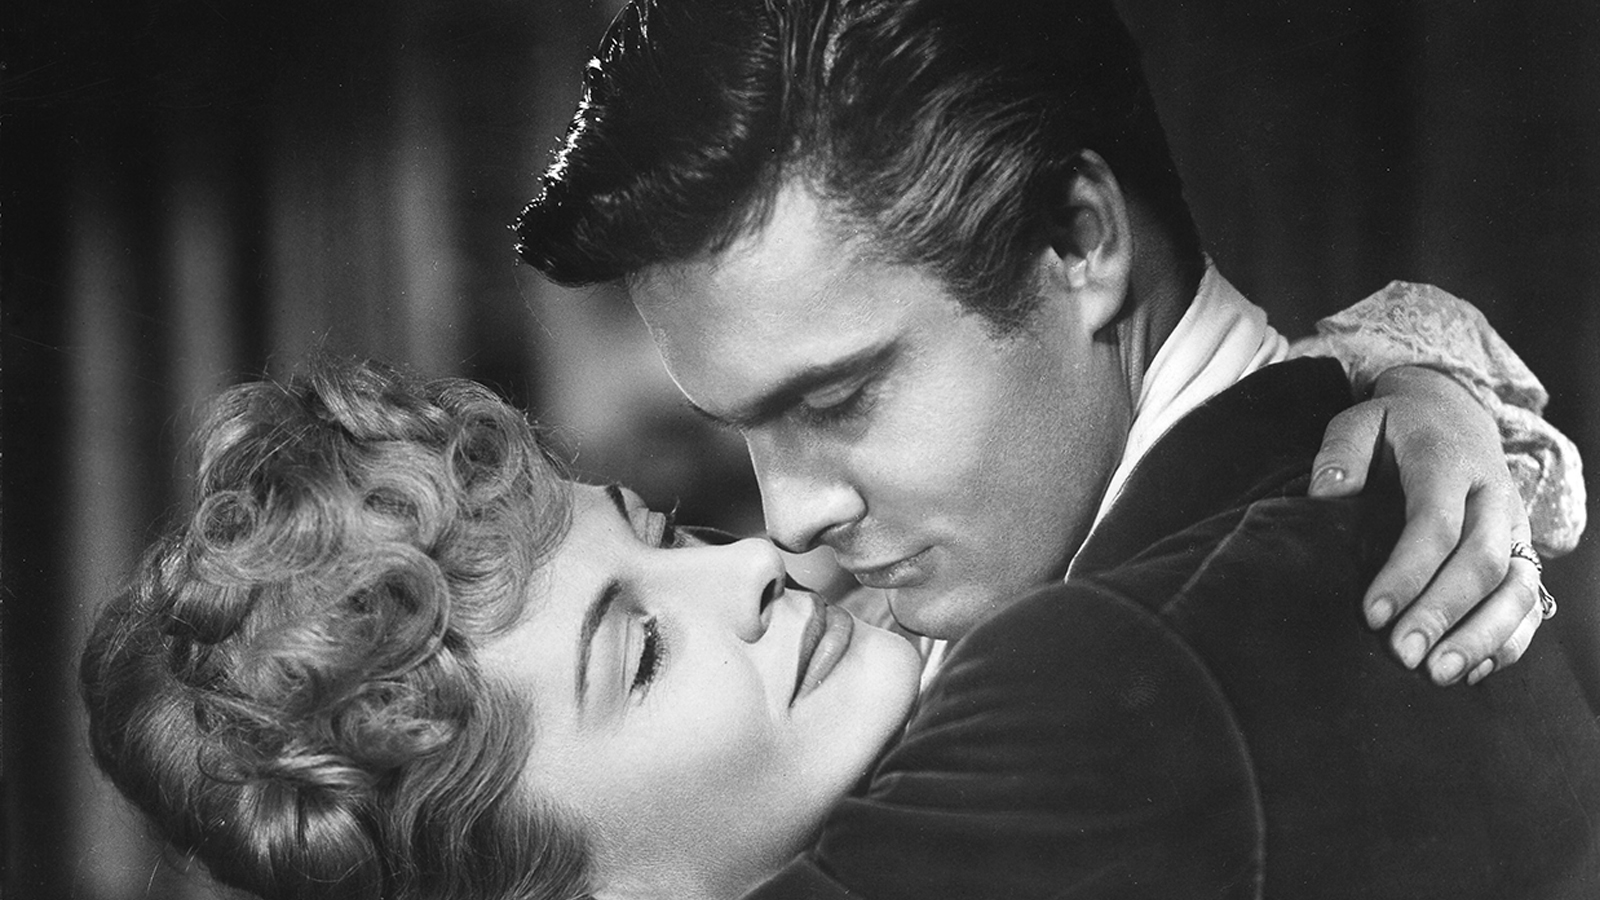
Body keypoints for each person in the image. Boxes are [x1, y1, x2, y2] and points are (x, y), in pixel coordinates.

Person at [80, 360, 1600, 900]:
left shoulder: (929, 675)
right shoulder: (1036, 734)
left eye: (666, 538)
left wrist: (1420, 388)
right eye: (638, 651)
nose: (751, 564)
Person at [513, 0, 1584, 688]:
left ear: (1079, 241)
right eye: (741, 429)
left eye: (836, 399)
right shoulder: (914, 610)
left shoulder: (1239, 633)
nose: (789, 522)